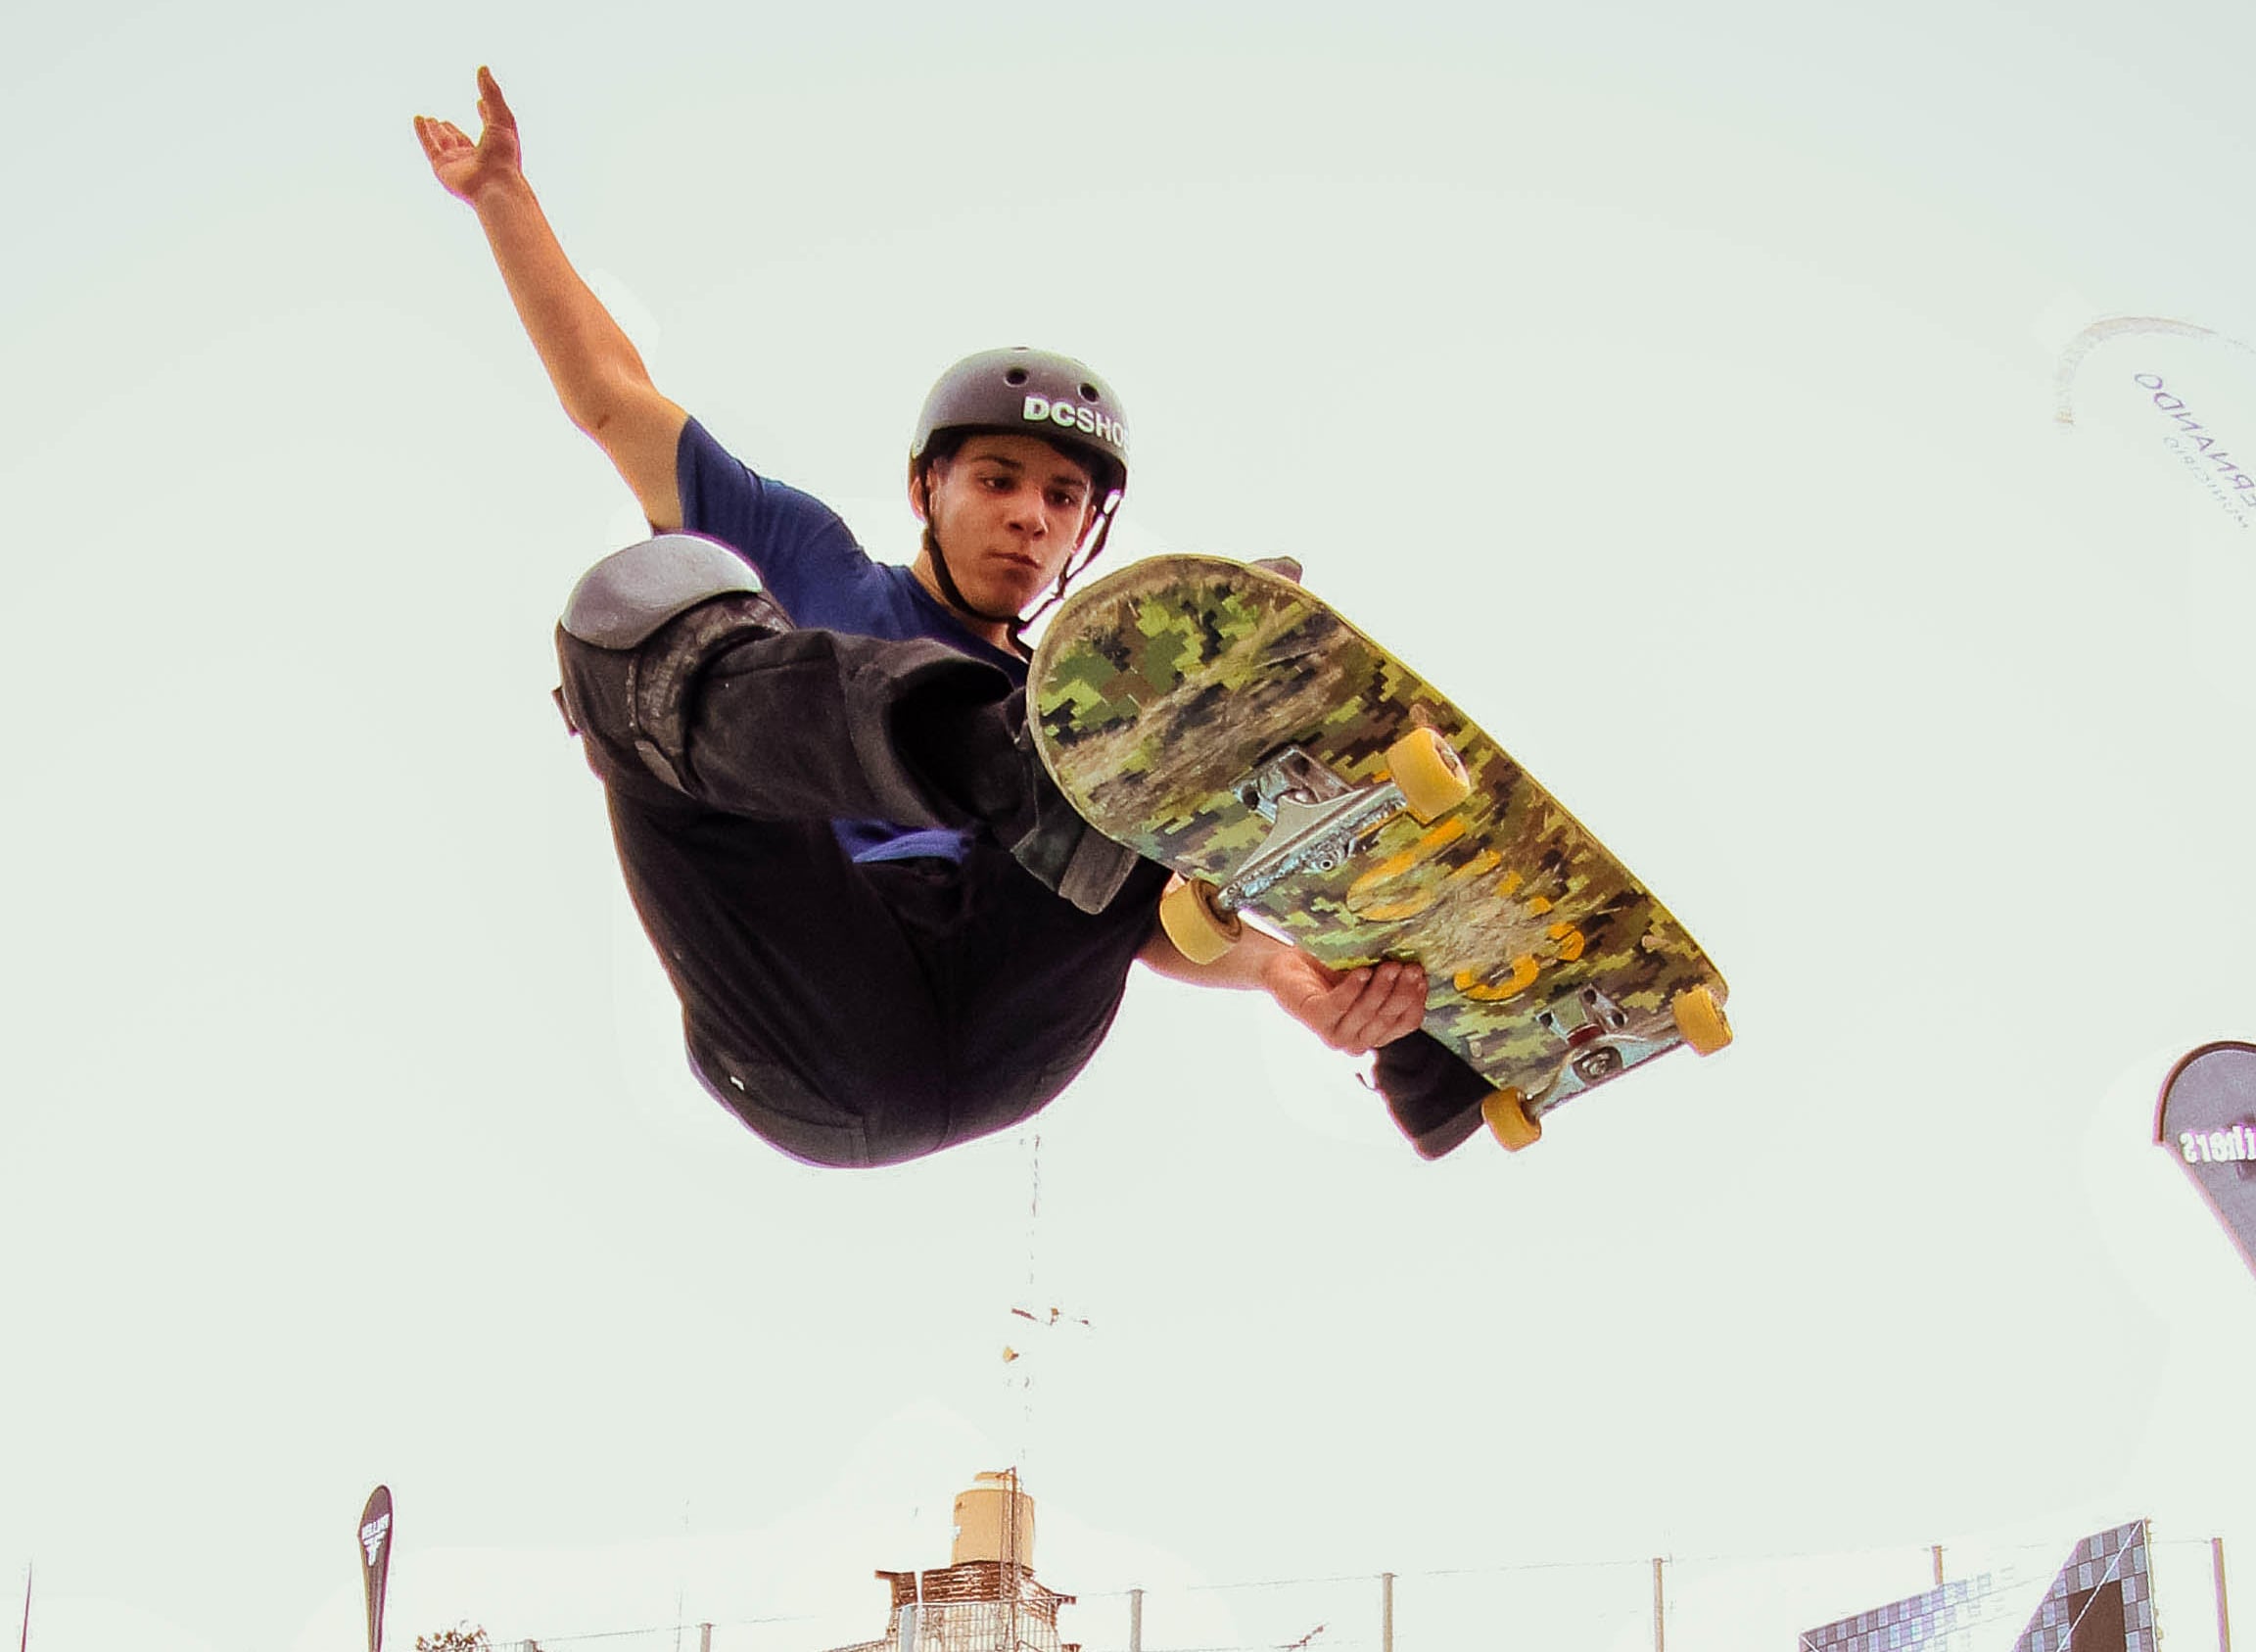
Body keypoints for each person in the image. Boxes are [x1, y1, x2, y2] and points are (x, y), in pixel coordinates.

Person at [415, 67, 1492, 1165]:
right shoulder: (804, 559)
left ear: (1086, 533)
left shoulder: (1090, 709)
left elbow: (1146, 911)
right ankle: (980, 754)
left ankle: (1450, 1050)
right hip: (811, 1013)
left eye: (1061, 499)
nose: (1029, 517)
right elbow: (610, 397)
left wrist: (1283, 974)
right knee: (630, 611)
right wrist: (502, 193)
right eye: (997, 479)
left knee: (1150, 729)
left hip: (1011, 1020)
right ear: (927, 487)